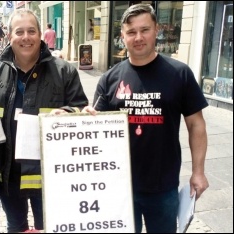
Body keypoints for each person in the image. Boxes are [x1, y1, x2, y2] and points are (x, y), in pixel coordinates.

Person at [82, 3, 209, 233]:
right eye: (131, 32)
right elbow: (96, 125)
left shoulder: (179, 73)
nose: (138, 37)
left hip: (163, 186)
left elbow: (196, 124)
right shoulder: (110, 79)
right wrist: (80, 119)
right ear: (123, 36)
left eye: (145, 30)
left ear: (156, 30)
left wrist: (198, 172)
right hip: (119, 183)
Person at [0, 9, 89, 233]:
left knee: (52, 227)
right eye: (19, 32)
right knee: (16, 227)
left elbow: (82, 109)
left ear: (40, 35)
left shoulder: (64, 71)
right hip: (9, 175)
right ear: (9, 37)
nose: (26, 37)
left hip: (51, 177)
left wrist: (68, 113)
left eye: (31, 31)